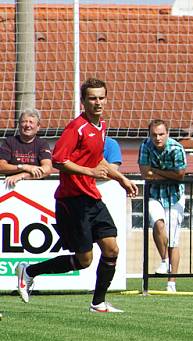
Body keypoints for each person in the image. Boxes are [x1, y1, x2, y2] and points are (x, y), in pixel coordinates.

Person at [15, 77, 138, 313]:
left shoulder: (101, 127)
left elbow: (97, 159)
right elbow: (59, 161)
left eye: (101, 97)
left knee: (112, 249)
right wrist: (89, 171)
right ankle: (29, 271)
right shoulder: (76, 127)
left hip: (91, 197)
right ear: (83, 101)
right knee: (84, 260)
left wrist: (121, 178)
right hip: (72, 200)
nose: (98, 102)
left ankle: (98, 303)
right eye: (92, 98)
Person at [139, 119, 187, 293]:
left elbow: (180, 175)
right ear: (149, 135)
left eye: (161, 134)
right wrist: (168, 175)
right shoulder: (145, 145)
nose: (157, 138)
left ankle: (171, 282)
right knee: (157, 223)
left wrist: (157, 171)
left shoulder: (176, 149)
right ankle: (164, 260)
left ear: (167, 134)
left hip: (175, 196)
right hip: (153, 194)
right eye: (154, 135)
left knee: (173, 239)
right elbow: (144, 172)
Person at [0, 108, 53, 187]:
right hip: (11, 188)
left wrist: (22, 176)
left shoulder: (42, 144)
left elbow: (47, 169)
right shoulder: (9, 142)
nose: (27, 125)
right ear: (19, 125)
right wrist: (24, 167)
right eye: (24, 121)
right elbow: (1, 167)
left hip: (37, 188)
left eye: (31, 122)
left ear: (38, 126)